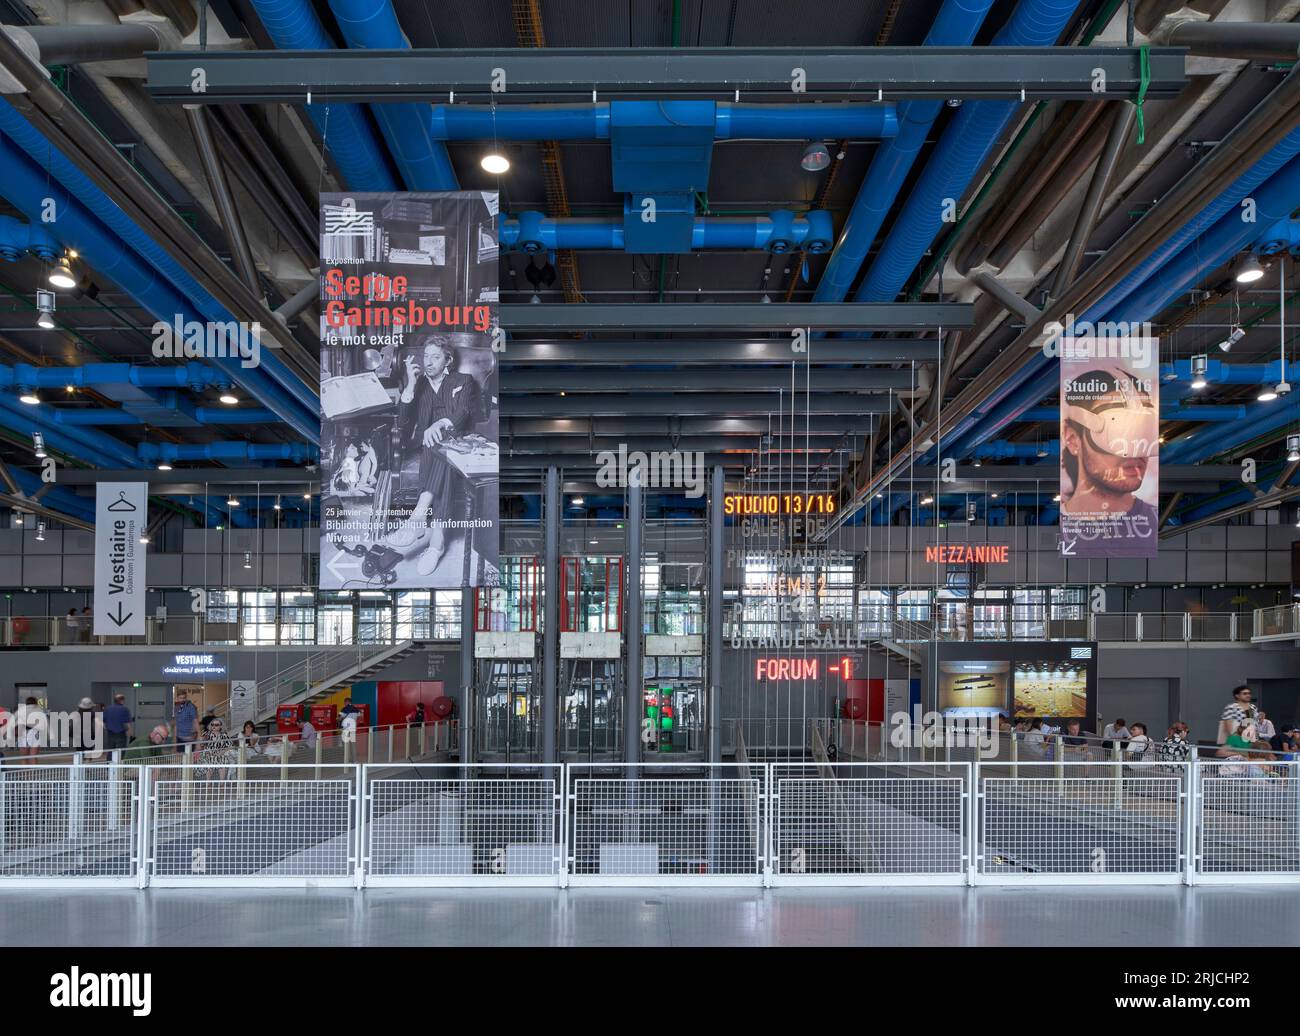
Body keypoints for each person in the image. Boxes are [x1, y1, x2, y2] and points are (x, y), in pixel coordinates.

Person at [387, 336, 484, 577]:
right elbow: (404, 422)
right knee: (437, 447)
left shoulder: (464, 380)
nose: (428, 362)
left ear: (448, 360)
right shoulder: (418, 386)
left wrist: (440, 423)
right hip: (429, 447)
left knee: (441, 443)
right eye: (426, 356)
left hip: (460, 440)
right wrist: (409, 384)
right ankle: (436, 543)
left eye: (435, 357)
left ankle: (419, 517)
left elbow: (463, 413)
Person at [1060, 368, 1159, 557]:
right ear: (1073, 439)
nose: (1134, 450)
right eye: (1117, 433)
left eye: (1143, 432)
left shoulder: (1154, 520)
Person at [196, 715, 236, 779]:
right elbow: (200, 746)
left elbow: (231, 746)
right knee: (208, 782)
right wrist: (202, 743)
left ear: (220, 726)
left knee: (222, 782)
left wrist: (222, 751)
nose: (214, 726)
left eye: (216, 725)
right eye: (212, 724)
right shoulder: (206, 734)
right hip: (208, 757)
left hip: (220, 758)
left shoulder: (224, 735)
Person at [16, 696, 43, 760]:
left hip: (23, 734)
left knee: (24, 758)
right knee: (33, 757)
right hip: (34, 734)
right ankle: (33, 770)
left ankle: (26, 770)